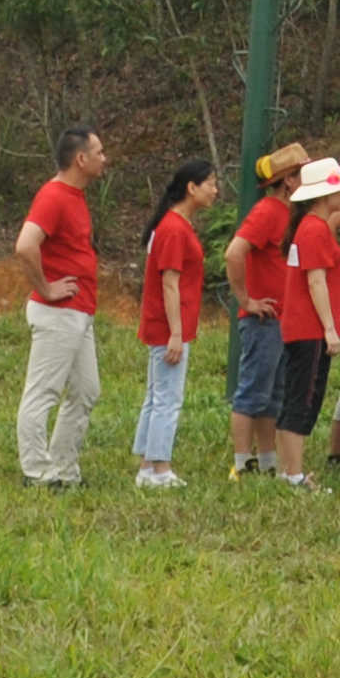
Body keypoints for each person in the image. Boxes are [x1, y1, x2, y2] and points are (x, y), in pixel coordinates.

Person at [11, 124, 110, 487]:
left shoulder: (75, 196)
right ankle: (36, 472)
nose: (104, 159)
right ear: (81, 159)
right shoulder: (53, 196)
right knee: (43, 391)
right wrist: (46, 288)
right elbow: (25, 245)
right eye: (99, 152)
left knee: (86, 391)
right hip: (58, 313)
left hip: (79, 311)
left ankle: (64, 470)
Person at [268, 157, 340, 487]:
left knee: (298, 396)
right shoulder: (315, 229)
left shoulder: (310, 227)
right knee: (303, 400)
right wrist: (330, 329)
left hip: (303, 327)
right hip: (309, 328)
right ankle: (293, 473)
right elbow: (315, 281)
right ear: (324, 195)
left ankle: (288, 469)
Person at [129, 160, 214, 490]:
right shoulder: (174, 229)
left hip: (166, 325)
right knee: (167, 398)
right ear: (191, 188)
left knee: (157, 395)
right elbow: (170, 283)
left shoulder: (175, 225)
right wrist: (176, 333)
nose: (215, 189)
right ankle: (160, 468)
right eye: (210, 183)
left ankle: (147, 465)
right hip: (168, 327)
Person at [224, 142, 304, 481]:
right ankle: (242, 462)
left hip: (282, 319)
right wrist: (246, 300)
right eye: (302, 173)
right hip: (263, 320)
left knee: (274, 394)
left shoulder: (289, 215)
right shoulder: (268, 212)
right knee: (252, 392)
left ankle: (268, 460)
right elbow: (234, 252)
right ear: (288, 181)